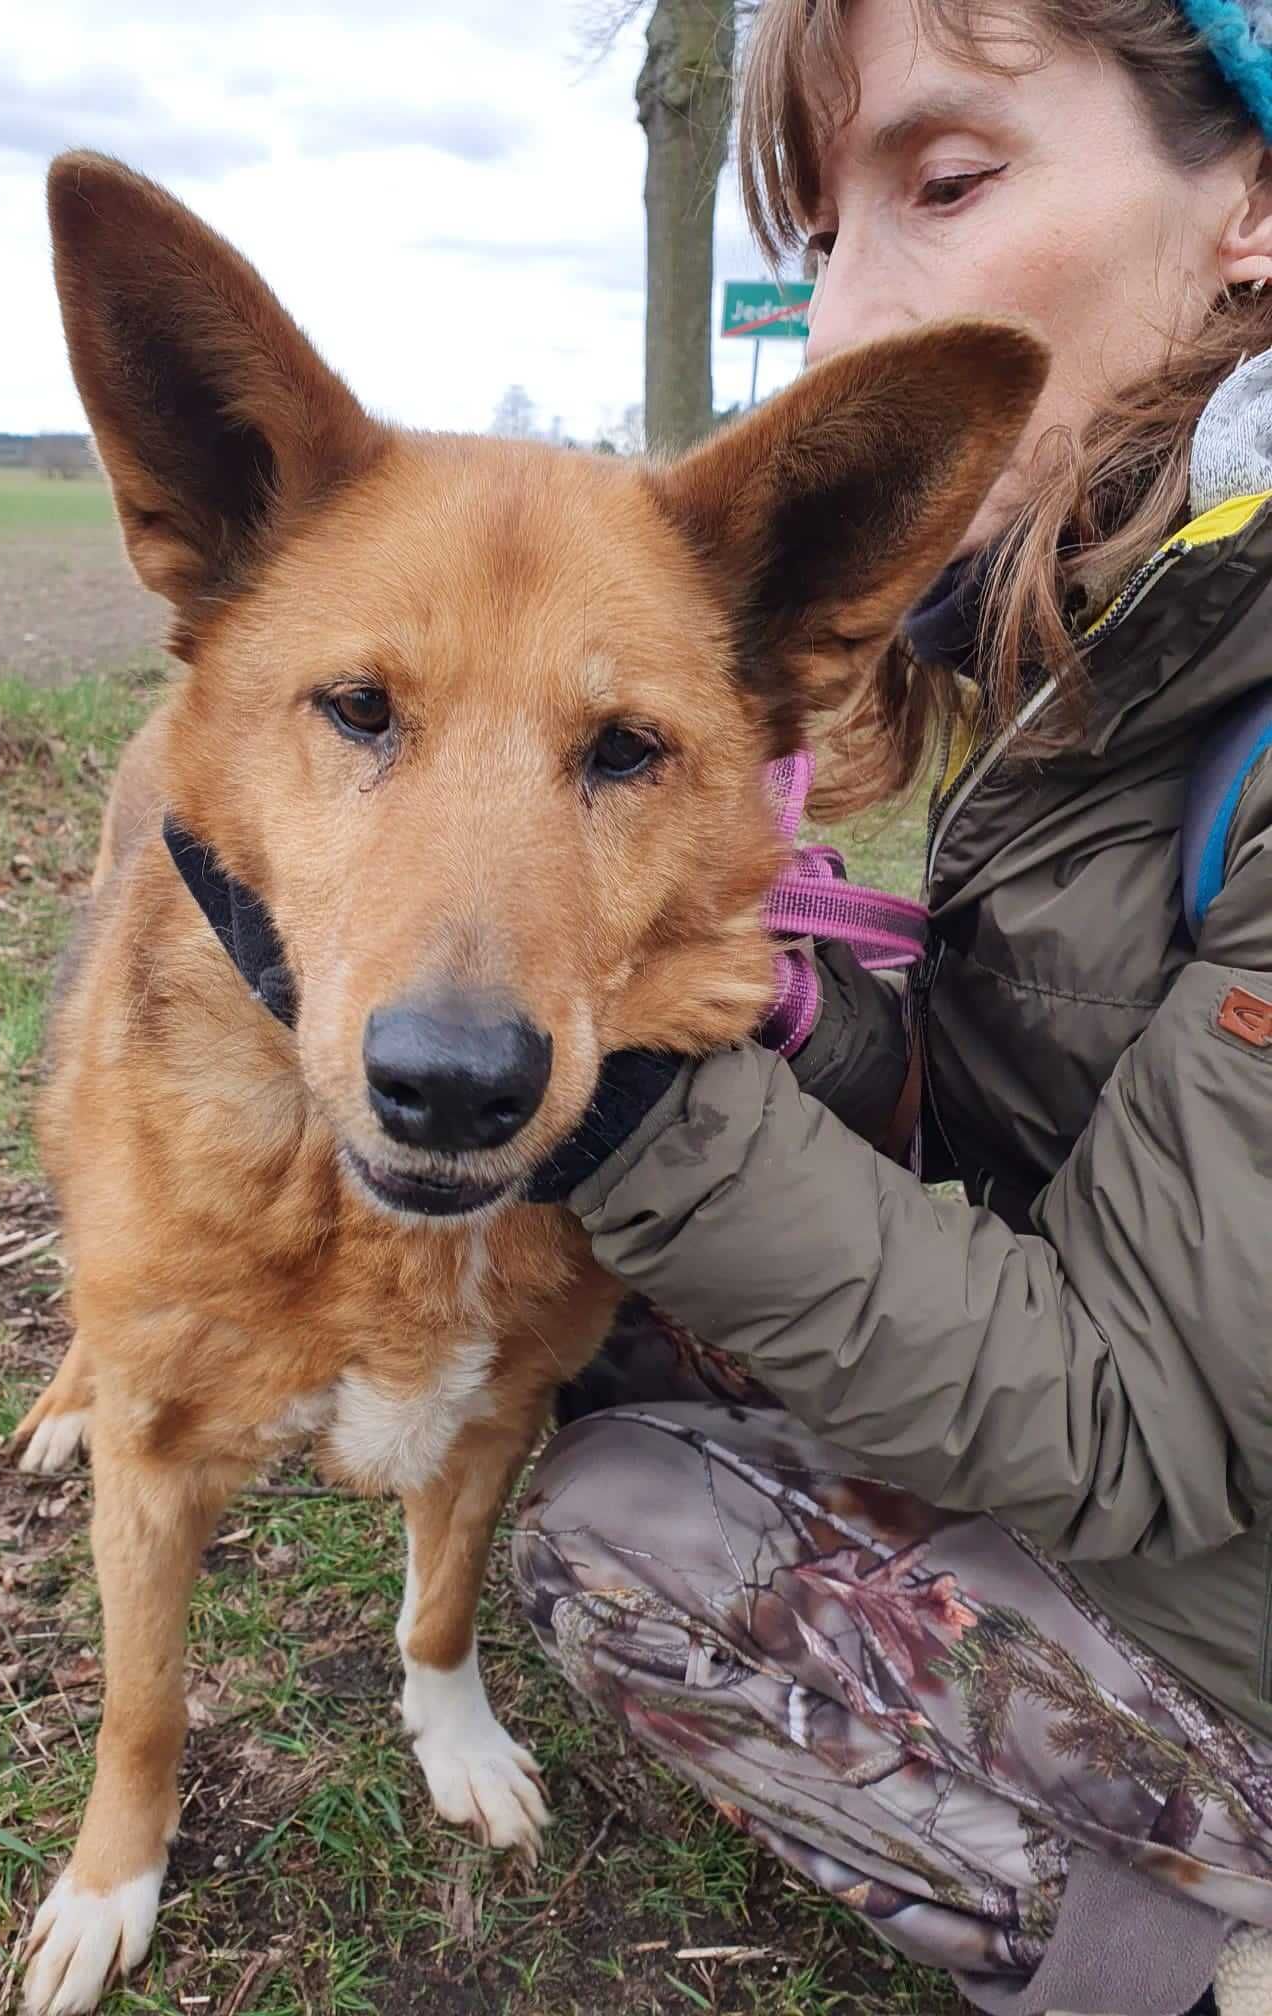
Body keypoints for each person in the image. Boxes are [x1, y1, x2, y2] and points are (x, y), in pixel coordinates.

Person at [513, 4, 1272, 2012]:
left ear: (1255, 199)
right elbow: (1063, 1133)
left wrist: (646, 1113)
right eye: (817, 232)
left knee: (626, 1533)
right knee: (603, 1348)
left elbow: (1141, 1422)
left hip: (1209, 1501)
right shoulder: (1129, 625)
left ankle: (1194, 1970)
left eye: (943, 186)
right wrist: (791, 1031)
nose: (841, 326)